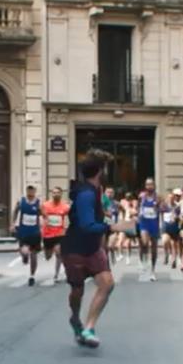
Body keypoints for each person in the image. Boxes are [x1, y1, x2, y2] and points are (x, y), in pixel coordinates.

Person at [62, 149, 132, 348]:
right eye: (107, 167)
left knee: (107, 283)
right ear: (100, 171)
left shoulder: (97, 190)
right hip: (75, 248)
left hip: (93, 248)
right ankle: (75, 318)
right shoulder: (85, 194)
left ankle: (89, 328)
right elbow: (86, 225)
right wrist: (114, 227)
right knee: (77, 291)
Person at [11, 185, 44, 286]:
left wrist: (43, 225)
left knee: (34, 254)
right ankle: (25, 257)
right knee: (25, 252)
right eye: (29, 190)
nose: (30, 192)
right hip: (23, 231)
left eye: (32, 190)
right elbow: (15, 211)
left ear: (35, 191)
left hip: (34, 232)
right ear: (26, 191)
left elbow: (43, 214)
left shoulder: (39, 203)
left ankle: (32, 276)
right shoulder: (21, 201)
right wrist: (12, 223)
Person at [137, 178, 163, 281]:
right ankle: (144, 260)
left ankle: (153, 270)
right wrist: (137, 214)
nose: (149, 187)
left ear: (154, 186)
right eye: (147, 185)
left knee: (154, 249)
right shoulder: (142, 197)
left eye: (151, 185)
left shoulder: (158, 197)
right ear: (145, 186)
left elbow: (164, 209)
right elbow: (138, 207)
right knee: (144, 242)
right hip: (144, 223)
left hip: (154, 224)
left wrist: (158, 206)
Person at [42, 186, 70, 283]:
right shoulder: (45, 205)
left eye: (58, 192)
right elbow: (40, 216)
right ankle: (48, 251)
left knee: (59, 253)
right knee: (48, 257)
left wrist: (68, 228)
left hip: (59, 233)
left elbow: (70, 217)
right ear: (51, 194)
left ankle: (57, 275)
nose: (56, 194)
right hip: (47, 234)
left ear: (61, 194)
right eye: (54, 192)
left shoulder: (65, 206)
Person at [161, 191, 181, 269]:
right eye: (169, 198)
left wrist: (177, 217)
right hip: (166, 226)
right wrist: (160, 224)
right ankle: (166, 254)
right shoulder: (164, 206)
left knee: (174, 244)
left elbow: (181, 216)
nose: (171, 199)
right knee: (165, 241)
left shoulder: (177, 207)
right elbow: (160, 215)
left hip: (174, 227)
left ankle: (174, 260)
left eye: (172, 198)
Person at [118, 192, 139, 265]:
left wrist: (132, 209)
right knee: (120, 241)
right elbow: (120, 209)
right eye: (127, 198)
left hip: (130, 224)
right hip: (124, 223)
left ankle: (128, 257)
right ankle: (120, 254)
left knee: (128, 243)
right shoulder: (123, 202)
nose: (128, 199)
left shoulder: (134, 203)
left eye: (129, 198)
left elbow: (136, 213)